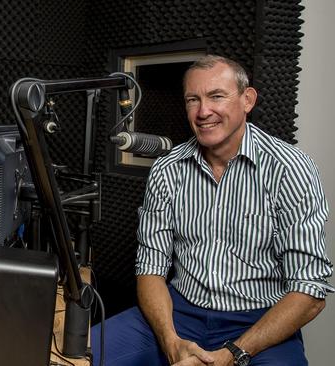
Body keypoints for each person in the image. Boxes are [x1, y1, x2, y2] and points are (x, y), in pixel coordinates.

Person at [91, 55, 332, 366]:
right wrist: (171, 341)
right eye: (193, 99)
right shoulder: (167, 168)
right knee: (78, 357)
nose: (204, 111)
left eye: (216, 96)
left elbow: (310, 290)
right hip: (178, 314)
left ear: (248, 100)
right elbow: (150, 268)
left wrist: (232, 354)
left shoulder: (289, 168)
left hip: (258, 323)